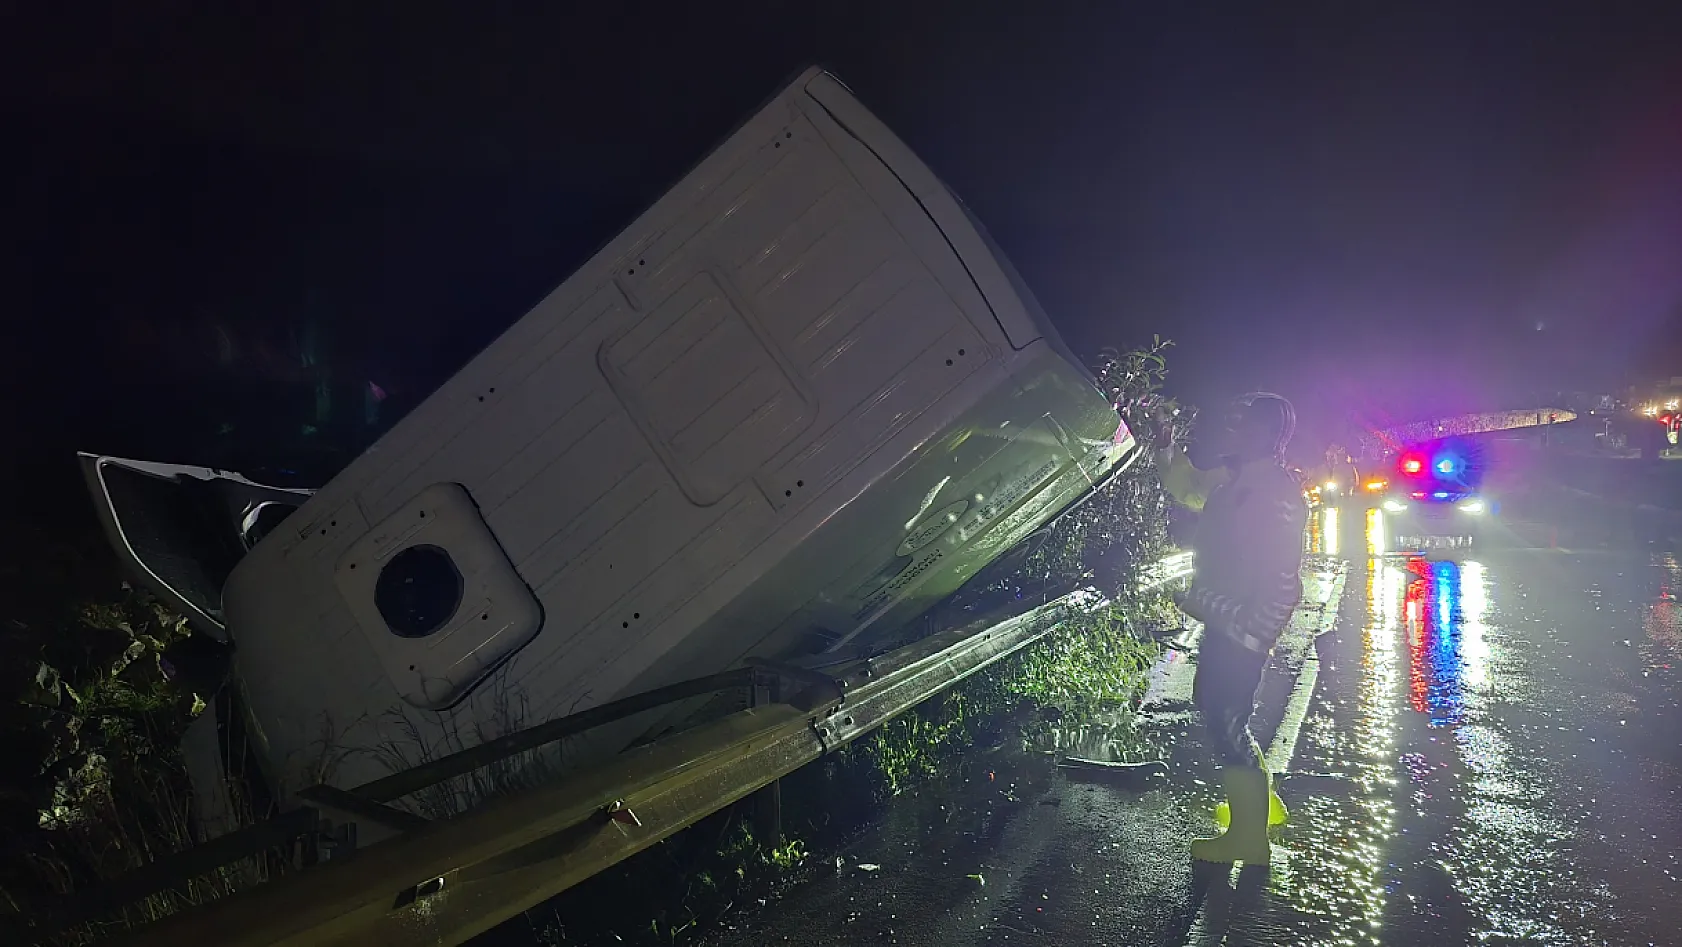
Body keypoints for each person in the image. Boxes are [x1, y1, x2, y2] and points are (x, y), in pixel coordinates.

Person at [1153, 392, 1308, 864]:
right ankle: (1260, 808)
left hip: (1245, 626)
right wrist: (1164, 443)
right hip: (1225, 617)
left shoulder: (1277, 493)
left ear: (1268, 433)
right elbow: (1188, 487)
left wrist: (1255, 627)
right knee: (1218, 709)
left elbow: (1284, 575)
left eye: (1245, 424)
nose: (1235, 431)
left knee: (1225, 719)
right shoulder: (1235, 479)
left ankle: (1248, 839)